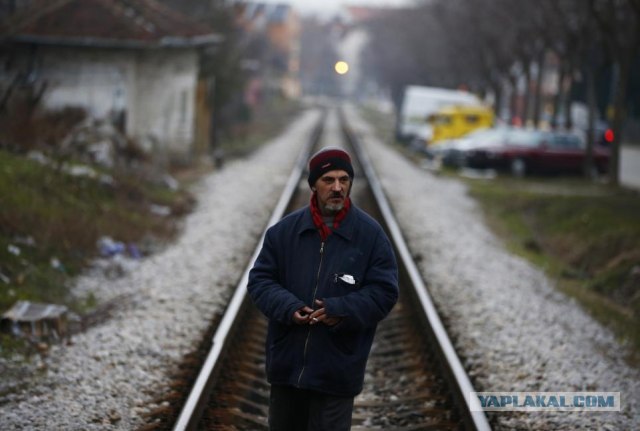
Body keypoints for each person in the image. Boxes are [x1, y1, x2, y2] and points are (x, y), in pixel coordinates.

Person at [247, 147, 399, 430]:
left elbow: (384, 292)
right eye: (328, 180)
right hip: (287, 368)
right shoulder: (283, 232)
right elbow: (260, 281)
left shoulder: (371, 236)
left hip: (337, 370)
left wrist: (340, 310)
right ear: (314, 185)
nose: (338, 187)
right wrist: (289, 308)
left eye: (344, 180)